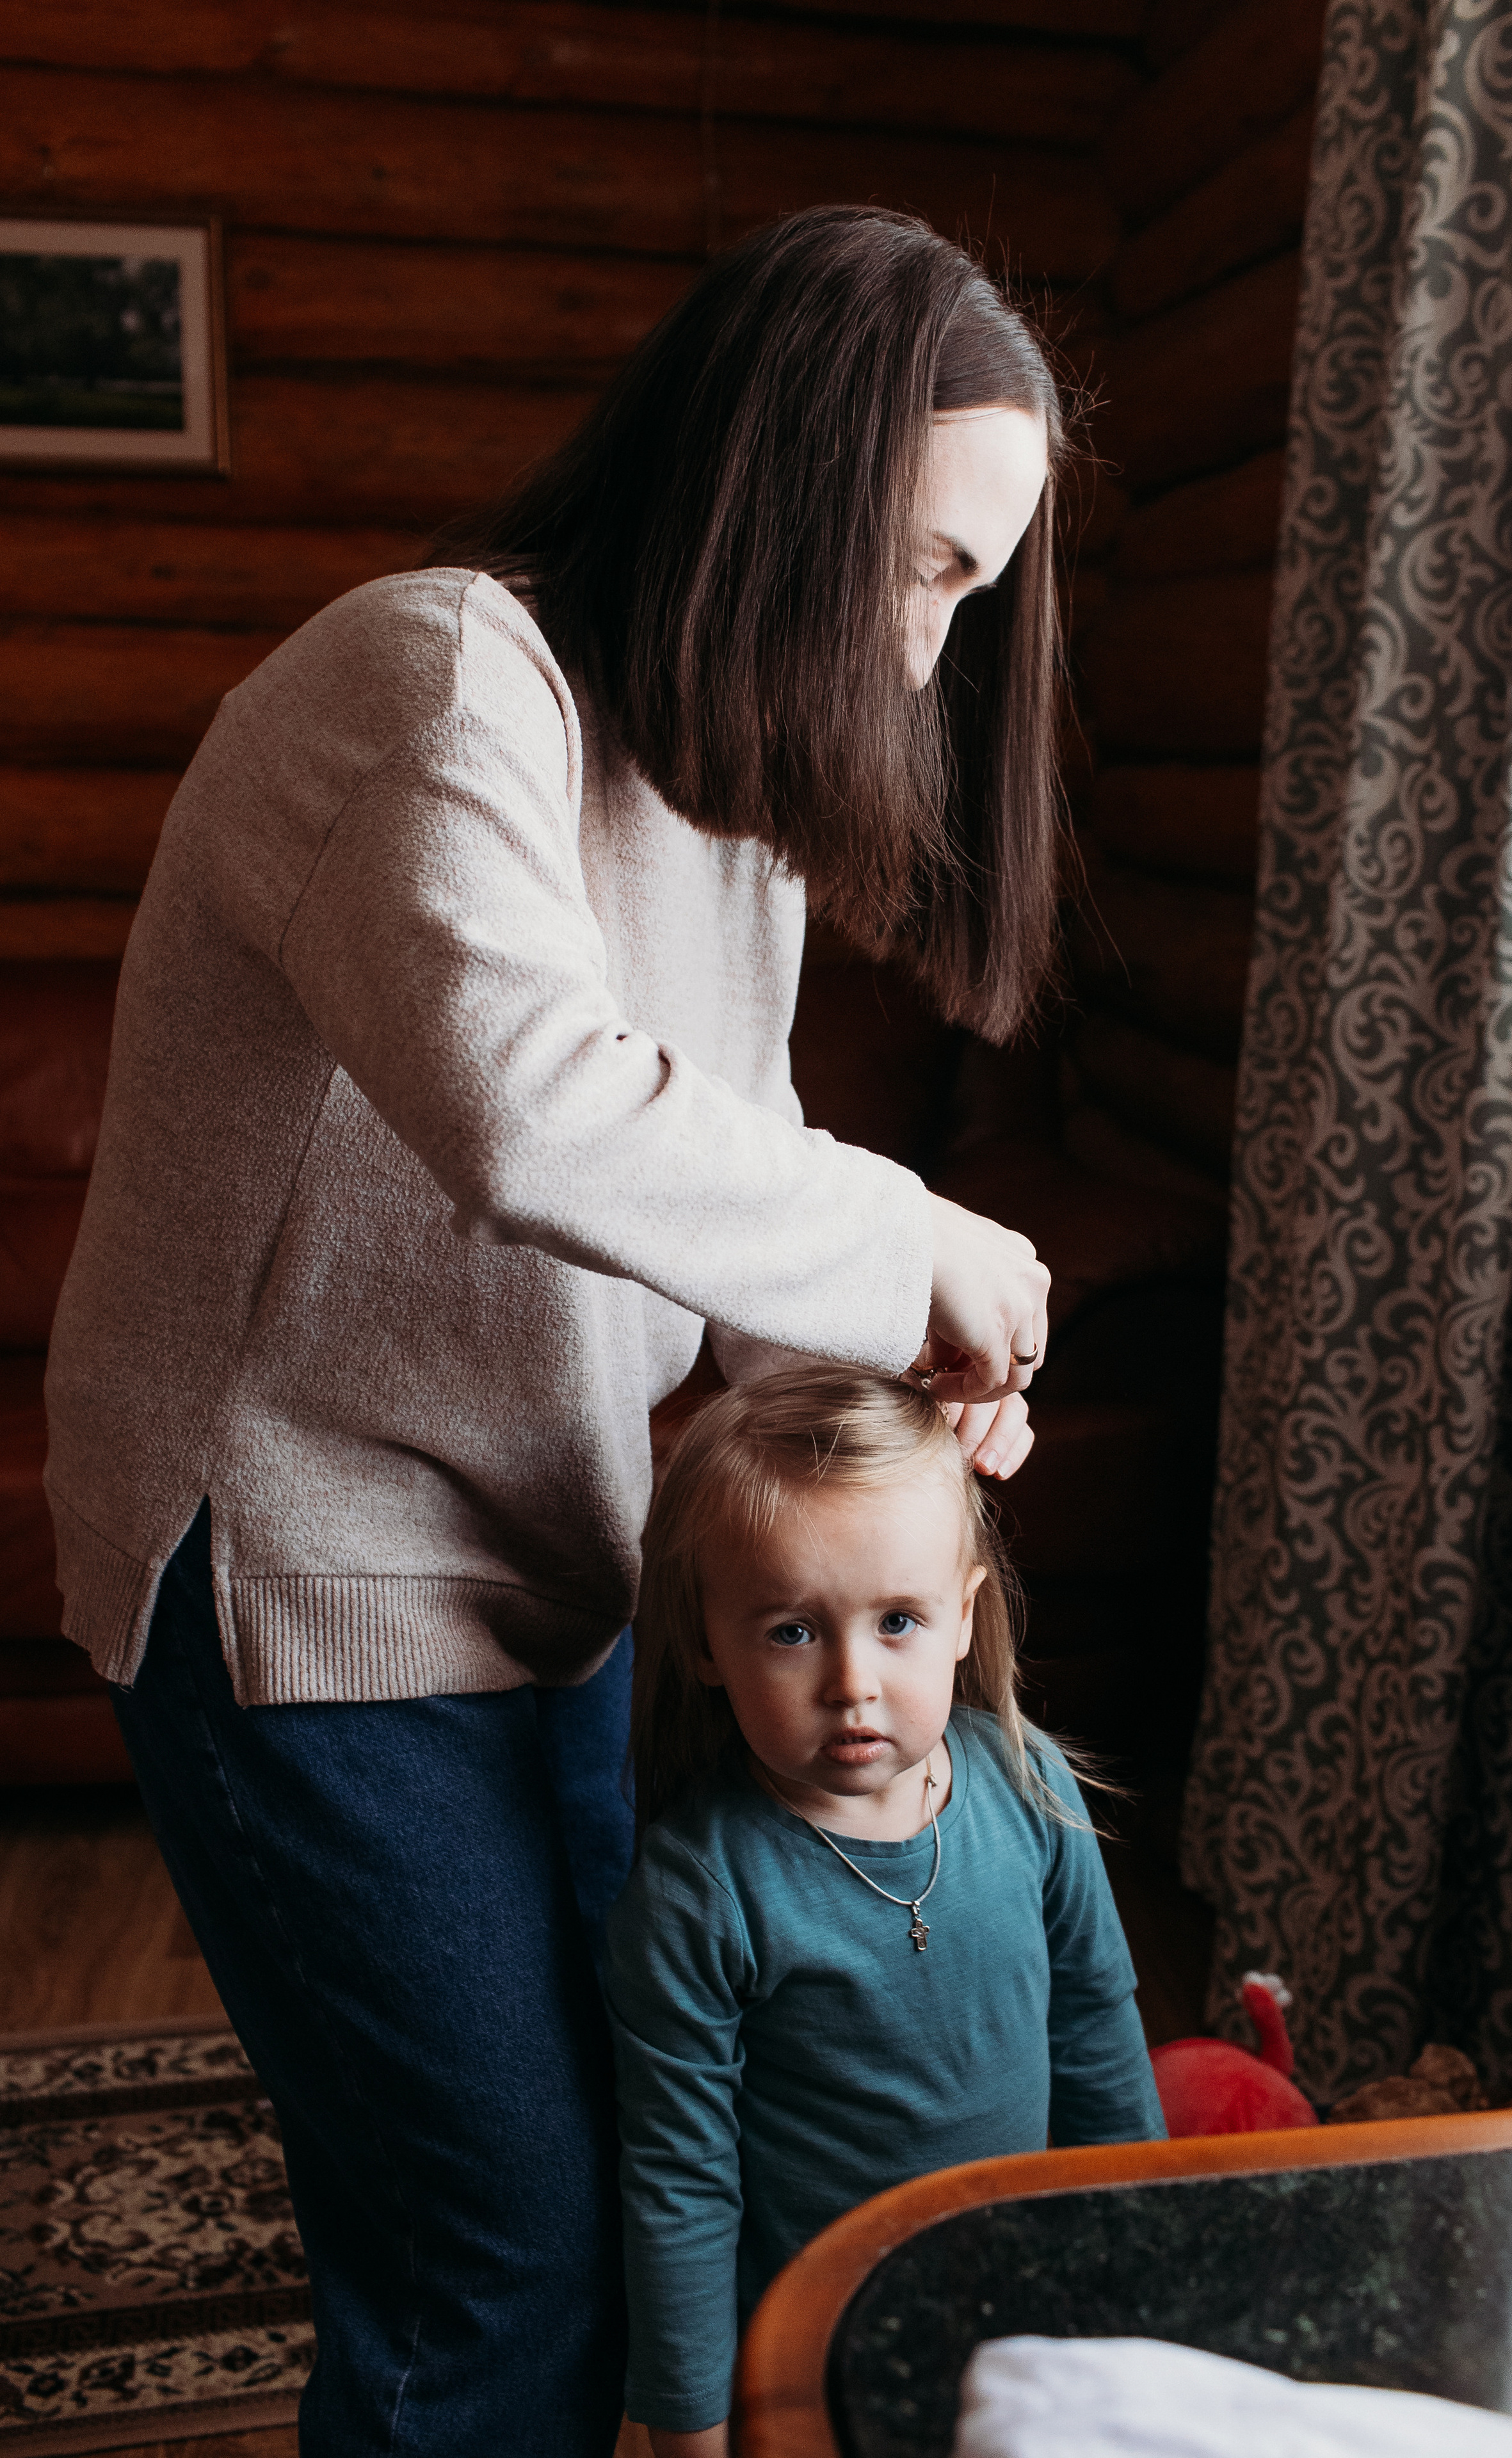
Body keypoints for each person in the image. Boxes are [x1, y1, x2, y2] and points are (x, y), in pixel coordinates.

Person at [43, 206, 1066, 2455]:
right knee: (489, 2268)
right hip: (299, 1576)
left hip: (558, 1564)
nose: (923, 659)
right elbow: (540, 1115)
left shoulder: (723, 807)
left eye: (967, 598)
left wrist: (911, 1385)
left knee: (606, 2192)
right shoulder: (430, 680)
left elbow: (723, 1187)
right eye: (919, 571)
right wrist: (917, 1240)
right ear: (772, 494)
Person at [606, 1365, 1167, 2455]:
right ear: (706, 1645)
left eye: (898, 1620)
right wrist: (687, 2425)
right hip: (824, 2339)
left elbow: (1098, 2032)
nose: (853, 1681)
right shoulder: (698, 1890)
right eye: (790, 1632)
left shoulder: (1028, 1785)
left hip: (1025, 2302)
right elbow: (680, 2180)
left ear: (965, 1616)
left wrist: (1136, 2254)